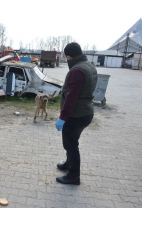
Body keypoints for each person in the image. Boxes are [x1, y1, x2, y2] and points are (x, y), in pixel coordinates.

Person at [55, 42, 98, 185]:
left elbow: (71, 97)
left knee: (71, 145)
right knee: (72, 141)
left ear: (69, 56)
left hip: (76, 115)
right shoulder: (89, 66)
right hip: (86, 112)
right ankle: (69, 164)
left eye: (67, 58)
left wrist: (63, 117)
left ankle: (74, 176)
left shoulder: (76, 71)